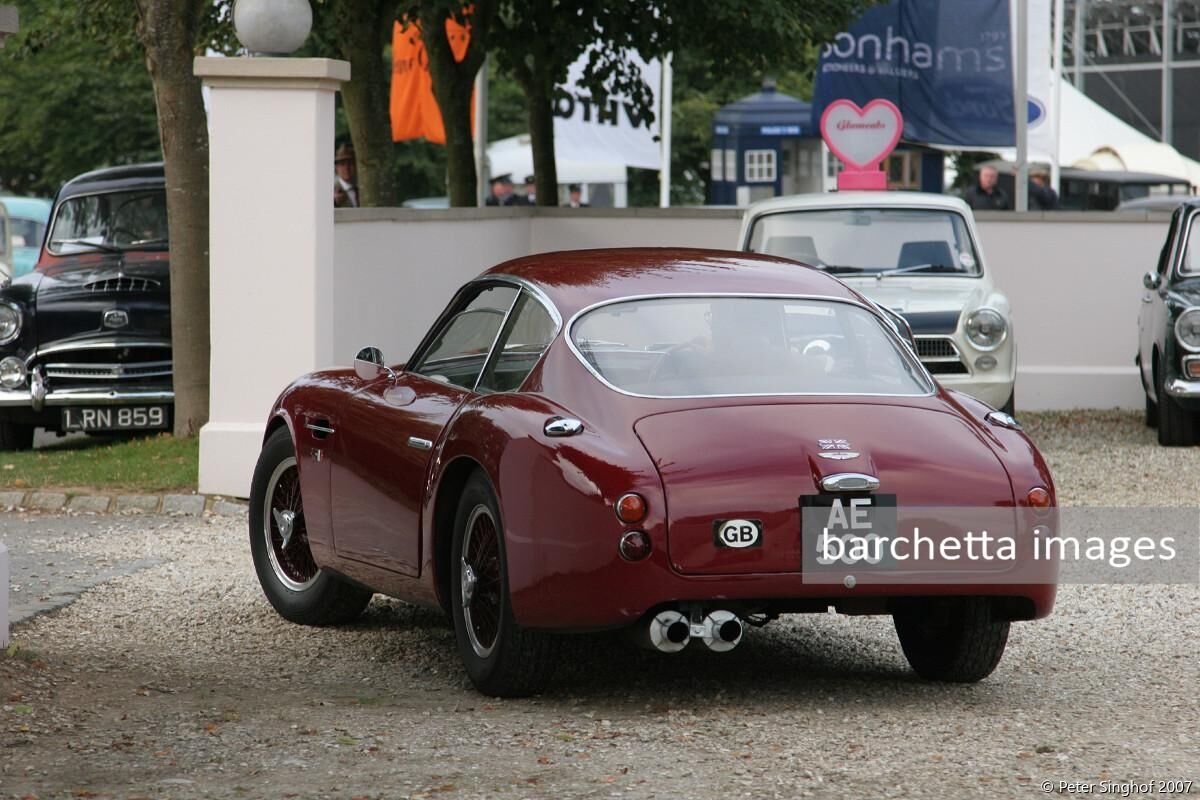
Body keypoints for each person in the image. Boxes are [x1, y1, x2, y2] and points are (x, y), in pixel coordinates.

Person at [334, 142, 359, 207]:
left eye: (350, 164)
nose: (346, 168)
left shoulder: (363, 188)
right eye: (342, 164)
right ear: (336, 168)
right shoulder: (331, 191)